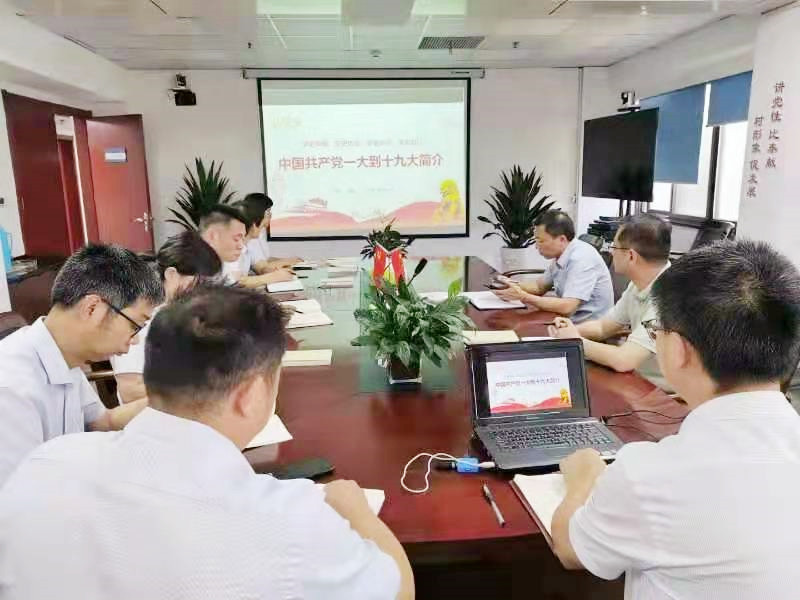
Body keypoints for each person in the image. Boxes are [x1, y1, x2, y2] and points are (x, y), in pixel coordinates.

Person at [0, 284, 414, 600]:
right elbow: (397, 591)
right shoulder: (292, 523)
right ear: (251, 394)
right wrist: (358, 513)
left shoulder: (45, 464)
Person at [550, 240, 800, 599]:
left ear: (680, 349)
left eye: (657, 329)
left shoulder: (649, 476)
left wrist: (584, 476)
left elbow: (569, 548)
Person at [0, 244, 162, 487]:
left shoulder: (66, 356)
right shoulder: (11, 388)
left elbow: (103, 423)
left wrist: (174, 398)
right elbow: (22, 496)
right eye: (135, 326)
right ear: (92, 308)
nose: (135, 339)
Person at [548, 214, 672, 390]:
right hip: (637, 380)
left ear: (631, 256)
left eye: (614, 247)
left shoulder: (669, 296)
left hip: (662, 395)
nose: (611, 252)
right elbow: (602, 327)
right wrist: (569, 330)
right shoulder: (639, 284)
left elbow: (624, 360)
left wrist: (575, 340)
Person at [111, 230, 221, 404]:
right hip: (152, 412)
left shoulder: (179, 311)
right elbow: (129, 391)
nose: (204, 293)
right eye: (199, 283)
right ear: (171, 275)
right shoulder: (138, 315)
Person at [493, 210, 613, 323]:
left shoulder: (581, 258)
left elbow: (568, 307)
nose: (536, 246)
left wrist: (524, 297)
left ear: (561, 239)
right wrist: (511, 285)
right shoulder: (562, 254)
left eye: (540, 241)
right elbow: (539, 286)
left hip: (587, 327)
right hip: (566, 320)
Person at [200, 204, 293, 288]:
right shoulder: (201, 261)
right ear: (213, 236)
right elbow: (239, 282)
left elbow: (236, 282)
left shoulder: (228, 254)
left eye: (242, 237)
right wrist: (273, 276)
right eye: (236, 239)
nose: (241, 246)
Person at [241, 192, 302, 274]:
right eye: (268, 212)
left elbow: (266, 259)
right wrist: (286, 262)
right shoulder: (250, 237)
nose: (270, 215)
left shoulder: (259, 234)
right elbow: (262, 268)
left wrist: (288, 261)